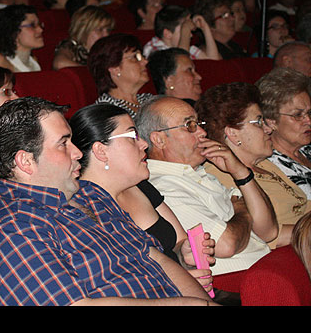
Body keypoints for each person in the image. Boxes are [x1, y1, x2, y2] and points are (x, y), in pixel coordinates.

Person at [0, 96, 215, 306]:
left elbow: (154, 258)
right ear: (25, 161)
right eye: (63, 144)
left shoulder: (90, 194)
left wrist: (203, 303)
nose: (77, 153)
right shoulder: (12, 228)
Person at [69, 103, 216, 295]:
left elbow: (178, 241)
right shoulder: (82, 209)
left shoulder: (141, 186)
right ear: (101, 151)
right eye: (132, 137)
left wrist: (185, 254)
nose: (144, 144)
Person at [136, 96, 278, 275]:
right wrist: (242, 209)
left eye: (199, 123)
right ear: (159, 140)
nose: (202, 132)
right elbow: (226, 244)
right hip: (237, 282)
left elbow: (269, 231)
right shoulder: (162, 186)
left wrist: (241, 173)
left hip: (264, 267)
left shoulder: (199, 173)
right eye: (190, 126)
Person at [196, 82, 311, 248]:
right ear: (233, 134)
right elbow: (268, 236)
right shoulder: (220, 176)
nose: (268, 129)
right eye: (258, 122)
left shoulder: (264, 163)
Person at [257, 67, 311, 199]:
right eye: (297, 115)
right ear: (271, 122)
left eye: (309, 113)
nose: (308, 121)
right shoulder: (270, 166)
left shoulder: (306, 150)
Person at [88, 33, 154, 119]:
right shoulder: (106, 112)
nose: (145, 61)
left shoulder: (148, 100)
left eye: (142, 56)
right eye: (135, 57)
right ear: (115, 68)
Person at [142, 5, 221, 60]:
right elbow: (180, 65)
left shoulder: (188, 48)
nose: (190, 35)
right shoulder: (154, 49)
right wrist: (185, 29)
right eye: (183, 30)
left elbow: (213, 63)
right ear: (167, 34)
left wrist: (205, 28)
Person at [53, 5, 114, 70]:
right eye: (99, 30)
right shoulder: (70, 45)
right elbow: (59, 63)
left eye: (108, 30)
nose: (106, 35)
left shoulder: (107, 49)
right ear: (83, 30)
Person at [0, 5, 44, 72]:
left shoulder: (33, 61)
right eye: (32, 25)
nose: (40, 30)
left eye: (39, 24)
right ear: (13, 31)